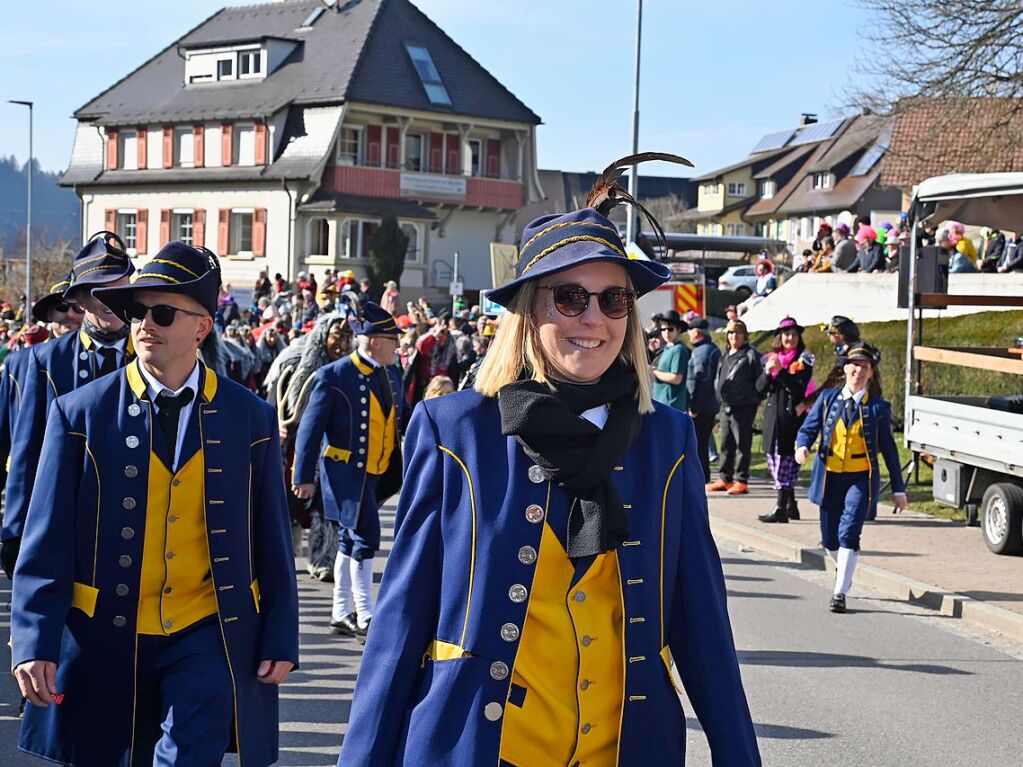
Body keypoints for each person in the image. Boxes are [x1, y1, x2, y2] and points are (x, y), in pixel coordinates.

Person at [338, 190, 759, 765]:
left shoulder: (669, 438)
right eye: (569, 297)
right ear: (528, 311)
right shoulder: (454, 430)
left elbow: (703, 626)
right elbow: (401, 620)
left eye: (614, 300)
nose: (593, 319)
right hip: (481, 746)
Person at [10, 241, 299, 766]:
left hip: (206, 629)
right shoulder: (79, 413)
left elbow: (271, 535)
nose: (144, 324)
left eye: (162, 312)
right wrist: (33, 637)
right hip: (103, 632)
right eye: (137, 311)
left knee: (188, 758)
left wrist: (280, 632)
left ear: (201, 327)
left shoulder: (250, 416)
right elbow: (47, 536)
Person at [1, 233, 137, 575]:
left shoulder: (154, 358)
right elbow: (26, 453)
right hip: (63, 531)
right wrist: (16, 533)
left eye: (119, 288)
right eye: (98, 290)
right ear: (79, 299)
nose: (110, 299)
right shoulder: (44, 363)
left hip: (134, 536)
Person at [292, 303, 405, 640]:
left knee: (348, 539)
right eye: (391, 339)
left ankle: (341, 611)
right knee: (365, 538)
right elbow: (310, 429)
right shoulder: (334, 375)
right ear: (372, 342)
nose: (397, 346)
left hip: (375, 472)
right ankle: (365, 612)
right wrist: (301, 477)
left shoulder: (389, 373)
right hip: (345, 473)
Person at [795, 342, 907, 612]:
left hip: (860, 478)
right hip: (830, 476)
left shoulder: (878, 408)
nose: (858, 370)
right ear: (845, 368)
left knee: (849, 532)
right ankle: (843, 567)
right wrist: (802, 446)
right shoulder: (828, 399)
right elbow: (808, 429)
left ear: (870, 373)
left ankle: (839, 592)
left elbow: (890, 451)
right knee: (830, 539)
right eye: (854, 365)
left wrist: (898, 489)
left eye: (865, 367)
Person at [268, 312, 354, 580]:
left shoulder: (348, 372)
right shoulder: (292, 364)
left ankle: (323, 558)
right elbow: (272, 401)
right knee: (288, 502)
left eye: (347, 337)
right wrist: (276, 425)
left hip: (331, 447)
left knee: (326, 505)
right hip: (294, 445)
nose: (341, 343)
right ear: (323, 337)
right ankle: (280, 555)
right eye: (337, 336)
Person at [757, 317, 815, 523]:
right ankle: (791, 506)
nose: (789, 338)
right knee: (774, 461)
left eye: (793, 334)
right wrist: (767, 372)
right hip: (773, 418)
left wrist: (780, 371)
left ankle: (781, 508)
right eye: (785, 334)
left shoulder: (804, 359)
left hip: (791, 419)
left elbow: (798, 387)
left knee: (785, 462)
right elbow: (759, 389)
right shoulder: (772, 358)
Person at [707, 319, 761, 495]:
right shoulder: (725, 354)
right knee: (725, 443)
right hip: (726, 406)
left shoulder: (751, 355)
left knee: (742, 445)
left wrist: (754, 398)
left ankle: (742, 480)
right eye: (730, 333)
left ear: (745, 336)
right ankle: (725, 478)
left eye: (737, 332)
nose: (733, 336)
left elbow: (761, 381)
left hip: (744, 406)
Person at [687, 316, 722, 483]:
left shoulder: (700, 352)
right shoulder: (713, 348)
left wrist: (693, 405)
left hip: (701, 406)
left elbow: (697, 381)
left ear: (696, 332)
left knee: (699, 444)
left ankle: (701, 476)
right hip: (711, 404)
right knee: (703, 441)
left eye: (690, 330)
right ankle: (704, 474)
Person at [650, 310, 690, 411]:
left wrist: (654, 372)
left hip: (671, 404)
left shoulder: (679, 349)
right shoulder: (667, 347)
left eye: (670, 329)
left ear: (679, 330)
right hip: (660, 401)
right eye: (663, 330)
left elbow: (676, 378)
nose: (666, 333)